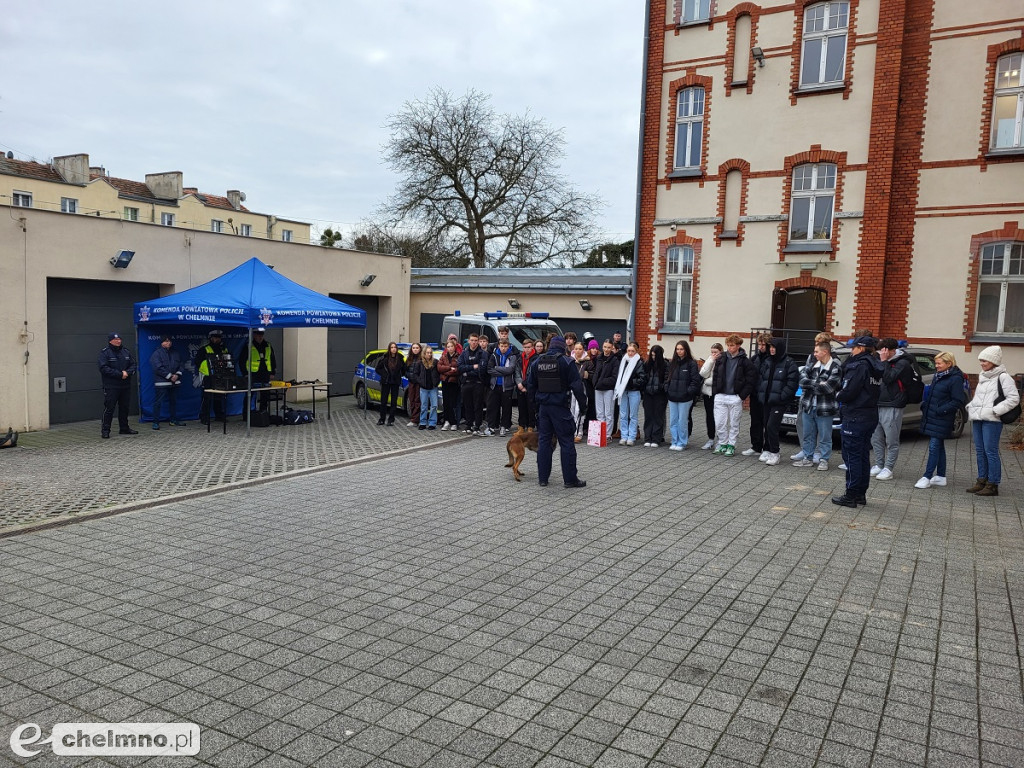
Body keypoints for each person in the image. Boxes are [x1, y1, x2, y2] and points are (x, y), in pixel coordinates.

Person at [526, 336, 588, 488]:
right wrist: (583, 406)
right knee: (566, 442)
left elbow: (530, 386)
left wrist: (534, 406)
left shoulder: (537, 362)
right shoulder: (567, 362)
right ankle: (570, 479)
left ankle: (543, 479)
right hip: (560, 408)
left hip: (543, 409)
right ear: (563, 348)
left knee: (544, 442)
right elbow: (577, 387)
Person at [832, 335, 883, 507]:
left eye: (853, 348)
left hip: (855, 415)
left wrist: (838, 395)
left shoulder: (859, 365)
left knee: (851, 456)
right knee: (861, 455)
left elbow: (849, 390)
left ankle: (851, 495)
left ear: (861, 348)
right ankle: (860, 493)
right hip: (870, 414)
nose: (851, 351)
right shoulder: (875, 365)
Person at [966, 345, 1020, 497]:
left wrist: (996, 411)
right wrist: (972, 407)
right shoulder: (983, 375)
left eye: (984, 360)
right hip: (978, 418)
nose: (982, 363)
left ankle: (993, 484)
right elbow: (980, 398)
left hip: (992, 420)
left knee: (990, 451)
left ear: (993, 361)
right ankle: (981, 480)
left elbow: (1014, 398)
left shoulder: (1004, 377)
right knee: (979, 450)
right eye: (981, 360)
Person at [914, 351, 968, 490]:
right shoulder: (939, 376)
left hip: (943, 417)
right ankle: (941, 476)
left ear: (949, 363)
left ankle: (927, 476)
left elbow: (958, 400)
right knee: (939, 446)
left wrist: (940, 410)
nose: (936, 366)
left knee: (933, 446)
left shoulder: (955, 378)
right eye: (935, 363)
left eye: (939, 363)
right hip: (933, 416)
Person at [870, 338, 915, 480]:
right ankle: (879, 464)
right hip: (878, 403)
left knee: (891, 439)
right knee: (876, 438)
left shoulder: (903, 363)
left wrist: (884, 362)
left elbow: (889, 378)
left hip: (893, 404)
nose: (879, 354)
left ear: (889, 351)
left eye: (882, 351)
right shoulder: (882, 360)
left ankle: (889, 468)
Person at [793, 341, 841, 470]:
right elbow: (802, 380)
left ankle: (824, 459)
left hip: (824, 408)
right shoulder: (812, 364)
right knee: (808, 434)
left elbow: (829, 388)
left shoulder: (835, 367)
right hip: (808, 406)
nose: (814, 354)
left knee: (825, 436)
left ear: (824, 352)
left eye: (816, 351)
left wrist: (811, 385)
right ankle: (807, 458)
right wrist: (818, 383)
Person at [755, 338, 800, 465]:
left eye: (774, 347)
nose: (772, 349)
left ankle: (775, 452)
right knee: (766, 425)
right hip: (766, 400)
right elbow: (761, 379)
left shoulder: (789, 363)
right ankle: (768, 449)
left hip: (779, 402)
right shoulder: (768, 361)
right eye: (770, 347)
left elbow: (792, 383)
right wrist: (761, 393)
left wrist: (782, 397)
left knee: (772, 426)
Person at [711, 335, 757, 457]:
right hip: (721, 395)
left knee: (734, 423)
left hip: (735, 396)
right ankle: (722, 443)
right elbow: (715, 375)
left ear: (738, 346)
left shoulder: (746, 362)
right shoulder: (721, 358)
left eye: (732, 345)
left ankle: (731, 445)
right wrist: (715, 391)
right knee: (720, 422)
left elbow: (750, 381)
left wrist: (741, 396)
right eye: (728, 345)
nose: (730, 348)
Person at [98, 331, 138, 438]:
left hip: (125, 386)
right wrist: (120, 374)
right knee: (109, 408)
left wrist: (127, 373)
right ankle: (106, 430)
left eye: (119, 339)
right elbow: (104, 368)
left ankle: (124, 428)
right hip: (111, 386)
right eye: (116, 339)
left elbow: (133, 365)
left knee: (124, 408)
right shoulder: (105, 353)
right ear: (110, 341)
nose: (118, 341)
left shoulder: (126, 352)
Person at [664, 341, 701, 451]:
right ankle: (674, 440)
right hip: (672, 397)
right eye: (677, 349)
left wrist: (688, 392)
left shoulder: (691, 363)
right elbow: (667, 378)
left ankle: (682, 442)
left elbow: (695, 381)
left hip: (685, 398)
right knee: (673, 421)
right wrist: (668, 389)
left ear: (686, 350)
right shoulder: (672, 363)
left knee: (682, 421)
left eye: (681, 349)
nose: (679, 351)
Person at [743, 333, 772, 456]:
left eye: (763, 344)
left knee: (767, 423)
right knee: (755, 422)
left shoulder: (773, 359)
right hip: (755, 395)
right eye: (759, 344)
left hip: (767, 396)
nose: (760, 347)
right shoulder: (755, 358)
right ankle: (756, 446)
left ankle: (767, 448)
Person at [485, 337, 520, 436]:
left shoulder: (512, 356)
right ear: (498, 346)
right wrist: (503, 371)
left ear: (508, 346)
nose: (503, 348)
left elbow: (510, 370)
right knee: (492, 407)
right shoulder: (493, 356)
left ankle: (504, 426)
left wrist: (497, 368)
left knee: (506, 408)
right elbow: (489, 369)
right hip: (495, 385)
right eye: (501, 346)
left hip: (507, 386)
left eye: (505, 346)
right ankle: (491, 426)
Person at [238, 327, 276, 417]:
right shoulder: (248, 346)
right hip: (253, 374)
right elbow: (242, 361)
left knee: (265, 395)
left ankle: (263, 412)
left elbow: (272, 359)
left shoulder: (268, 345)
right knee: (250, 395)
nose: (260, 337)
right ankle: (246, 415)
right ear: (254, 335)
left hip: (265, 374)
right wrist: (245, 374)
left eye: (261, 335)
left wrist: (272, 372)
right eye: (258, 335)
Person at [149, 335, 185, 429]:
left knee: (173, 402)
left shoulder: (176, 353)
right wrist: (169, 376)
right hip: (162, 383)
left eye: (169, 341)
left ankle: (173, 420)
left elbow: (181, 364)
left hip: (175, 382)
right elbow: (157, 368)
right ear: (162, 343)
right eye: (166, 341)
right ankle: (155, 422)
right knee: (158, 402)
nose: (168, 343)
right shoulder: (157, 353)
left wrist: (177, 375)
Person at [613, 342, 646, 446]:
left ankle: (631, 437)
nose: (630, 353)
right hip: (623, 391)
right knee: (623, 415)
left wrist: (632, 382)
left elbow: (642, 378)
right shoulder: (623, 361)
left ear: (636, 352)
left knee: (633, 415)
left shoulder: (639, 362)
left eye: (632, 351)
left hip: (634, 391)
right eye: (629, 351)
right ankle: (624, 436)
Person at [196, 329, 231, 426]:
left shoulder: (224, 349)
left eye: (219, 337)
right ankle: (204, 417)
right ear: (211, 338)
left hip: (220, 376)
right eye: (215, 337)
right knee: (207, 397)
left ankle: (219, 415)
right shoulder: (204, 349)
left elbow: (228, 360)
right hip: (208, 377)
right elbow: (198, 362)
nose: (217, 339)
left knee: (219, 397)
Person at [457, 333, 488, 434]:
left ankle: (477, 426)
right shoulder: (464, 353)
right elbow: (460, 367)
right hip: (466, 383)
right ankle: (468, 425)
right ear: (469, 341)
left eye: (476, 340)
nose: (474, 342)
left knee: (478, 405)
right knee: (467, 405)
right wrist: (472, 367)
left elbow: (482, 369)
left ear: (478, 341)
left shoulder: (482, 353)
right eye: (472, 340)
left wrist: (468, 371)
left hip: (478, 383)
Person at [408, 345, 441, 429]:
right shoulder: (420, 363)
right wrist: (420, 382)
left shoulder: (435, 362)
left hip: (433, 387)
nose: (429, 354)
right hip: (423, 387)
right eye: (427, 353)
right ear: (424, 353)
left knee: (434, 406)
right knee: (423, 406)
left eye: (430, 353)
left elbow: (439, 373)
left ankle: (432, 423)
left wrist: (436, 382)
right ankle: (422, 422)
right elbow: (415, 374)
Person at [642, 344, 668, 447]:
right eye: (652, 355)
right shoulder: (647, 364)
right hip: (648, 394)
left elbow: (666, 378)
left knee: (658, 417)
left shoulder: (665, 365)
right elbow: (644, 377)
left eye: (655, 356)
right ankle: (648, 438)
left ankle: (656, 438)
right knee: (648, 416)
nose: (653, 358)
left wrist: (661, 387)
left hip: (660, 395)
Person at [374, 342, 406, 426]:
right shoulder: (384, 358)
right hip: (386, 382)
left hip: (395, 382)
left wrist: (399, 375)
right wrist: (384, 374)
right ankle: (382, 419)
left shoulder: (400, 358)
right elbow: (377, 369)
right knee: (383, 401)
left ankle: (391, 419)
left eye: (395, 347)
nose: (393, 349)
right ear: (389, 348)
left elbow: (403, 370)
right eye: (392, 347)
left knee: (393, 401)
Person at [592, 340, 619, 435]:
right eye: (605, 347)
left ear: (612, 348)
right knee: (599, 413)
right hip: (598, 388)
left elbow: (614, 377)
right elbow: (596, 372)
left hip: (608, 389)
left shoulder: (614, 360)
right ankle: (600, 434)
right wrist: (595, 382)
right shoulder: (599, 358)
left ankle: (607, 434)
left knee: (608, 413)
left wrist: (602, 381)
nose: (606, 349)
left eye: (608, 347)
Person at [699, 343, 722, 450]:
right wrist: (711, 361)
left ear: (720, 352)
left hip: (718, 393)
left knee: (719, 417)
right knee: (709, 416)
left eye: (716, 352)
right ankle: (711, 438)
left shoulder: (724, 361)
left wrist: (707, 381)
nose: (713, 354)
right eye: (712, 352)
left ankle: (721, 439)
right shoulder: (710, 360)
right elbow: (703, 374)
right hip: (708, 393)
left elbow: (720, 379)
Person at [437, 338, 461, 430]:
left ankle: (453, 422)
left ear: (454, 347)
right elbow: (439, 368)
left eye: (451, 346)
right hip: (444, 381)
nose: (450, 348)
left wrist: (447, 371)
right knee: (446, 402)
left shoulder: (458, 356)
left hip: (453, 382)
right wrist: (449, 369)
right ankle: (447, 421)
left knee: (452, 402)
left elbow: (458, 370)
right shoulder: (443, 356)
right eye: (448, 347)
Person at [569, 342, 589, 442]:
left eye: (580, 349)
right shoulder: (570, 360)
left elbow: (588, 375)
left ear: (583, 350)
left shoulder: (587, 362)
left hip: (582, 389)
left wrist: (585, 375)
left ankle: (579, 433)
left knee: (579, 411)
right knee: (571, 411)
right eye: (576, 349)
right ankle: (571, 432)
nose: (578, 351)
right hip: (571, 389)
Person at [516, 338, 537, 430]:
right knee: (521, 407)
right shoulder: (520, 357)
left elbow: (533, 374)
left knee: (530, 408)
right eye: (525, 347)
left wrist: (524, 384)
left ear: (532, 347)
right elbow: (516, 372)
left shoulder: (536, 358)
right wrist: (519, 383)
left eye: (529, 347)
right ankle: (521, 426)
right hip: (520, 386)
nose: (527, 349)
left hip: (530, 387)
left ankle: (530, 426)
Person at [404, 342, 423, 426]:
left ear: (420, 349)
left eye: (417, 348)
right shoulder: (409, 359)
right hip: (411, 382)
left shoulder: (422, 359)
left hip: (419, 383)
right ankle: (413, 417)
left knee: (417, 400)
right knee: (411, 400)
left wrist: (419, 379)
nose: (415, 349)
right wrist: (408, 375)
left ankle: (415, 420)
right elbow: (405, 370)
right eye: (413, 348)